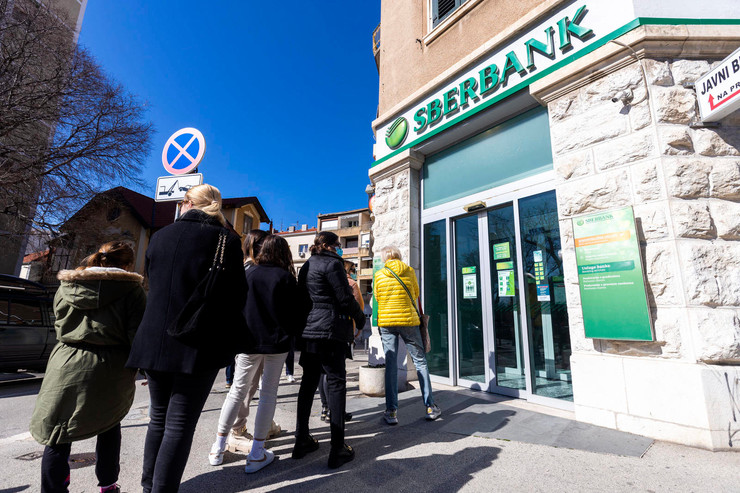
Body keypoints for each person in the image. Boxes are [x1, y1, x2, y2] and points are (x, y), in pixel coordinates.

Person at [127, 184, 248, 493]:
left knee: (158, 419)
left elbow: (152, 281)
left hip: (154, 339)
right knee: (179, 424)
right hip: (198, 341)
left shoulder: (160, 236)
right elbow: (237, 296)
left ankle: (148, 486)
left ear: (187, 203)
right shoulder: (226, 240)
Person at [30, 241, 146, 493]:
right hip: (110, 367)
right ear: (127, 265)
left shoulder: (67, 286)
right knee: (109, 425)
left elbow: (59, 321)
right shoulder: (132, 291)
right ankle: (108, 486)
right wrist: (145, 367)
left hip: (64, 361)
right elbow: (137, 336)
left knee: (58, 432)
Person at [208, 231, 287, 470]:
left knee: (236, 391)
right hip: (275, 342)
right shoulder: (282, 275)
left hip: (247, 341)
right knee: (267, 393)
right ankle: (256, 452)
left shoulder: (246, 272)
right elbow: (295, 311)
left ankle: (218, 447)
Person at [293, 232, 365, 469]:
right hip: (331, 331)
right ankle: (337, 448)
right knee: (336, 384)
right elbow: (344, 298)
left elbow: (302, 298)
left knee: (308, 384)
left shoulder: (307, 265)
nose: (339, 248)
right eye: (337, 245)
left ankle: (301, 439)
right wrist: (360, 318)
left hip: (310, 331)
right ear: (326, 245)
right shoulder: (333, 264)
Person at [374, 245, 441, 425]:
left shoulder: (379, 275)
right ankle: (430, 407)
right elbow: (416, 294)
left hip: (387, 322)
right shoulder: (409, 271)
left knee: (391, 364)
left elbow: (377, 297)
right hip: (409, 321)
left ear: (385, 258)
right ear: (398, 256)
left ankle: (391, 412)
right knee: (420, 362)